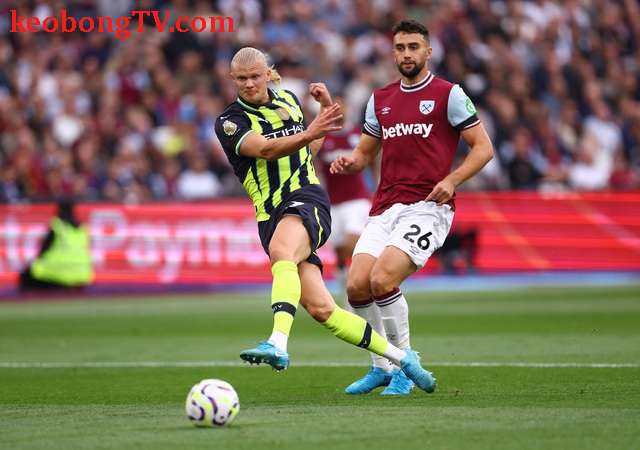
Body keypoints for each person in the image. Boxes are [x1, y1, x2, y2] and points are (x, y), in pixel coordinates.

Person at [214, 47, 437, 393]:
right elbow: (266, 149)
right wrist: (312, 128)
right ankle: (402, 360)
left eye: (255, 76)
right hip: (270, 214)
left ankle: (277, 343)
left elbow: (308, 150)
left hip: (306, 198)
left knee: (282, 254)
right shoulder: (230, 121)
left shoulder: (287, 100)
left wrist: (321, 110)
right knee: (322, 309)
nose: (248, 84)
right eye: (241, 79)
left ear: (268, 73)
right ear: (232, 80)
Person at [330, 20, 494, 395]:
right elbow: (364, 154)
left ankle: (405, 362)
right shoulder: (380, 99)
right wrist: (349, 163)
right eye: (400, 47)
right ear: (393, 52)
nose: (406, 54)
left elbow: (483, 148)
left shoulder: (448, 94)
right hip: (385, 206)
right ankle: (382, 367)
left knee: (383, 280)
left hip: (428, 207)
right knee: (356, 287)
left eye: (413, 47)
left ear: (428, 51)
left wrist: (452, 180)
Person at [315, 96, 372, 300]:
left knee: (350, 245)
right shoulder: (323, 138)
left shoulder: (358, 133)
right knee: (339, 250)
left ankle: (370, 273)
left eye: (340, 106)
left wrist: (377, 185)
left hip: (357, 200)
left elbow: (373, 159)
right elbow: (312, 164)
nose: (337, 110)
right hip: (333, 203)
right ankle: (347, 293)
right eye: (333, 107)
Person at [19, 199, 94, 291]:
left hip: (58, 274)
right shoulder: (83, 228)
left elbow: (44, 250)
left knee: (26, 275)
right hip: (82, 275)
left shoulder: (57, 225)